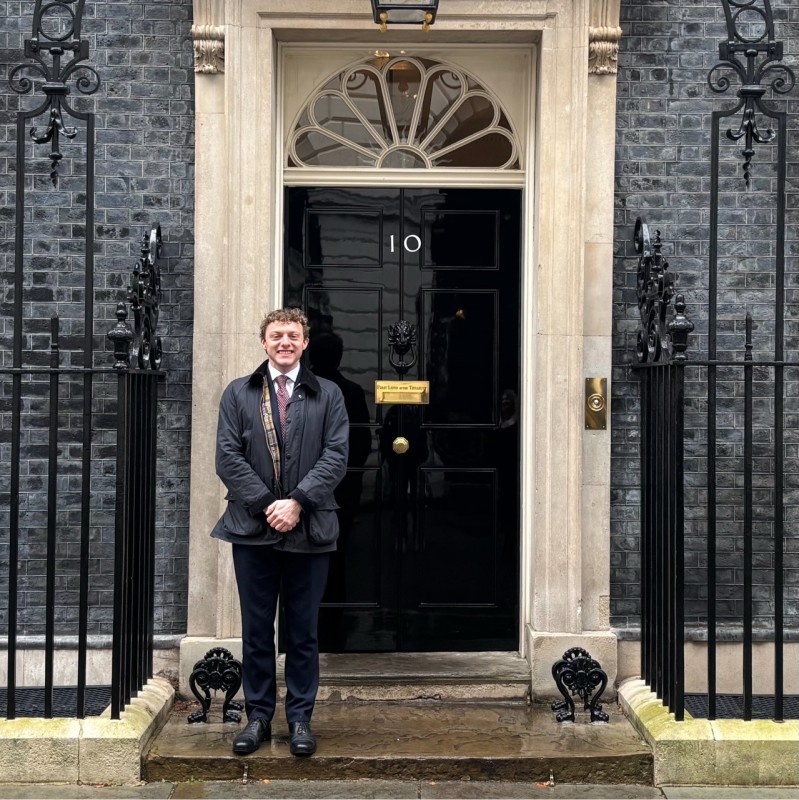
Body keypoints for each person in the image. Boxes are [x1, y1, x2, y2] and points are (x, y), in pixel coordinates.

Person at [212, 307, 349, 757]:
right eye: (276, 335)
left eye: (293, 335)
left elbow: (336, 455)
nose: (284, 342)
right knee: (256, 630)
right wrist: (269, 505)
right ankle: (257, 718)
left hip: (309, 528)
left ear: (305, 342)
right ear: (264, 343)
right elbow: (227, 456)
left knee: (303, 632)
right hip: (252, 529)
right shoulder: (239, 393)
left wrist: (297, 502)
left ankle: (300, 719)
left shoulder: (328, 394)